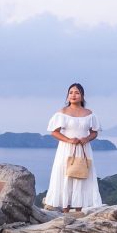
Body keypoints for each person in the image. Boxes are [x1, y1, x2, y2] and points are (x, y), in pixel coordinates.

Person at [43, 83, 103, 212]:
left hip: (83, 149)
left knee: (81, 175)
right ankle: (65, 210)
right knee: (66, 176)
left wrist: (86, 139)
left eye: (77, 93)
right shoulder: (62, 113)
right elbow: (54, 131)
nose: (73, 95)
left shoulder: (89, 114)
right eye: (71, 92)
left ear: (82, 96)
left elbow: (95, 132)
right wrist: (69, 140)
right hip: (66, 150)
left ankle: (79, 210)